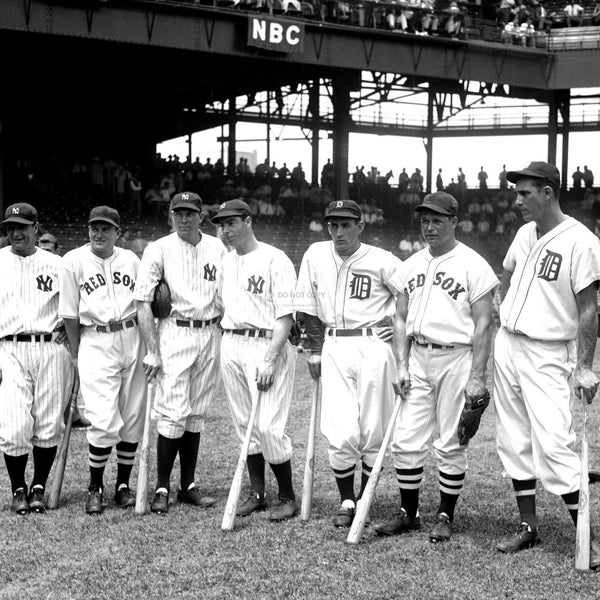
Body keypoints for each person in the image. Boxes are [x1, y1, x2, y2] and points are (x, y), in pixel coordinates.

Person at [373, 192, 497, 542]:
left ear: (454, 221)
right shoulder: (409, 264)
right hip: (418, 356)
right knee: (405, 438)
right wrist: (401, 364)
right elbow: (399, 317)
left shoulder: (474, 265)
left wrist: (477, 375)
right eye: (425, 220)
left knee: (450, 441)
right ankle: (408, 512)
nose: (429, 227)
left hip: (456, 356)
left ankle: (445, 513)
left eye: (437, 220)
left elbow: (484, 325)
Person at [493, 162, 600, 569]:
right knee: (514, 438)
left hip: (548, 350)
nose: (517, 199)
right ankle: (528, 525)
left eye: (525, 193)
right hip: (510, 344)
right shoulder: (524, 233)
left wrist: (585, 367)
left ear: (549, 193)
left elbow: (589, 309)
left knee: (554, 441)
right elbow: (508, 273)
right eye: (517, 192)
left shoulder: (581, 241)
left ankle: (585, 535)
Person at [295, 200, 404, 527]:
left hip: (373, 345)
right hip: (334, 344)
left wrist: (397, 321)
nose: (338, 231)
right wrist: (314, 349)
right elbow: (306, 303)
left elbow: (409, 294)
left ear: (360, 225)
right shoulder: (315, 254)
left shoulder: (383, 259)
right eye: (333, 225)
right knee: (340, 430)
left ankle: (365, 496)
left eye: (345, 224)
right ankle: (346, 499)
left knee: (373, 428)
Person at [134, 192, 226, 514]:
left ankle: (188, 485)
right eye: (178, 213)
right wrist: (152, 351)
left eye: (190, 213)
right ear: (170, 215)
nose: (184, 219)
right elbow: (143, 303)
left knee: (196, 412)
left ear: (201, 215)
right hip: (175, 330)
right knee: (173, 413)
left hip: (210, 331)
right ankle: (161, 486)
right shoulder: (158, 248)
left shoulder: (217, 248)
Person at [211, 199, 299, 521]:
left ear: (248, 221)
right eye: (222, 224)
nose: (226, 230)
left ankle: (287, 496)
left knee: (268, 426)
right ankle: (259, 493)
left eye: (232, 223)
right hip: (232, 342)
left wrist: (270, 359)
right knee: (244, 423)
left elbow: (286, 315)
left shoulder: (276, 259)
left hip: (265, 344)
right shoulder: (225, 261)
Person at [59, 206, 147, 513]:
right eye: (94, 228)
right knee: (103, 417)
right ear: (88, 230)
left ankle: (122, 485)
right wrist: (74, 352)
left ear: (117, 233)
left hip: (133, 335)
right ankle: (95, 486)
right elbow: (69, 313)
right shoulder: (73, 261)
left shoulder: (132, 260)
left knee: (132, 415)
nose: (99, 234)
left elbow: (145, 303)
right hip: (95, 338)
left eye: (106, 229)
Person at [0, 203, 73, 514]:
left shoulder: (58, 264)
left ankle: (39, 485)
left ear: (36, 228)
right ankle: (18, 488)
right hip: (10, 346)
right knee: (14, 425)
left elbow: (74, 307)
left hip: (50, 346)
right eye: (10, 227)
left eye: (22, 226)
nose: (16, 232)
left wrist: (72, 330)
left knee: (47, 423)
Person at [39, 231, 92, 430]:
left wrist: (66, 325)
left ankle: (73, 412)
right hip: (44, 332)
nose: (44, 248)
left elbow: (74, 301)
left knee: (72, 373)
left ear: (57, 249)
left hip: (64, 330)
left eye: (48, 245)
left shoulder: (64, 266)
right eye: (41, 244)